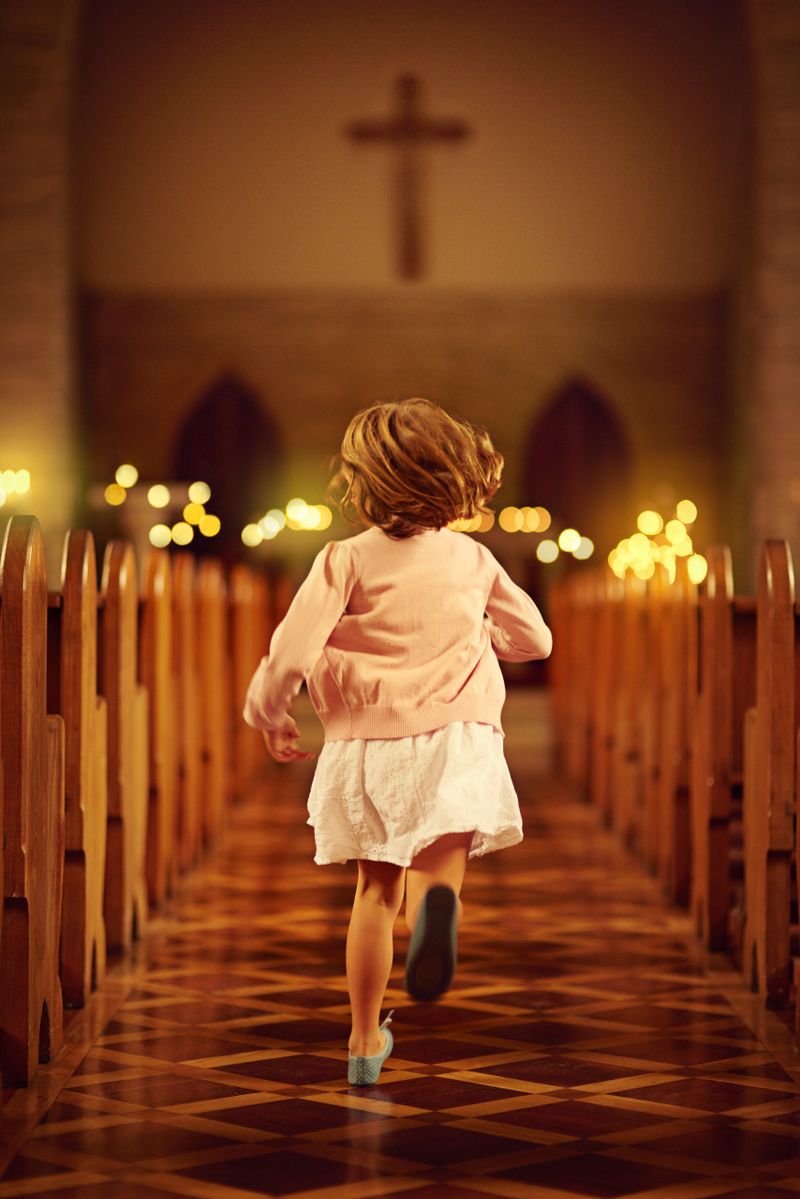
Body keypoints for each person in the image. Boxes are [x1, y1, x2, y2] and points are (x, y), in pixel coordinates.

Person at [243, 397, 552, 1086]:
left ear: (364, 483)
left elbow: (291, 651)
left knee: (374, 894)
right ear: (454, 477)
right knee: (437, 872)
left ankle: (362, 1042)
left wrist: (268, 712)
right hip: (457, 739)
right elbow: (536, 640)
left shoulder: (343, 558)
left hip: (370, 744)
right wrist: (483, 634)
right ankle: (436, 908)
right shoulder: (472, 558)